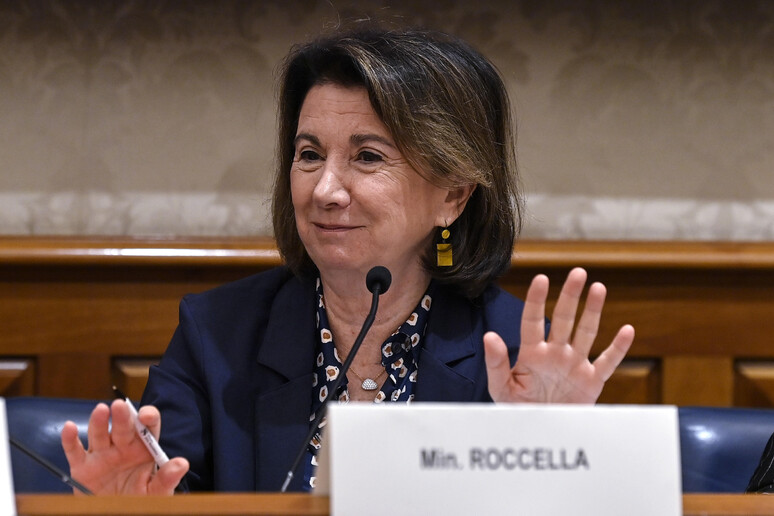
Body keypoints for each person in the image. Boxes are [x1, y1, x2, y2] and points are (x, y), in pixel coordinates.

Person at [60, 26, 635, 495]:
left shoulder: (514, 353)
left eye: (367, 157)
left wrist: (550, 453)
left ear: (454, 196)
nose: (325, 190)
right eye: (310, 154)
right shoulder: (217, 335)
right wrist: (132, 508)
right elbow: (165, 486)